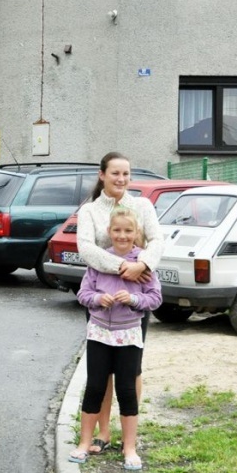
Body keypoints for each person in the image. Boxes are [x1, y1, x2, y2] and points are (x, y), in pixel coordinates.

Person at [76, 151, 164, 455]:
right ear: (102, 175)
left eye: (126, 174)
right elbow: (86, 248)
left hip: (134, 300)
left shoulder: (141, 205)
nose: (121, 179)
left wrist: (144, 265)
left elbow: (156, 241)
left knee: (131, 371)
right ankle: (103, 432)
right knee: (101, 374)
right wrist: (123, 268)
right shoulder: (90, 211)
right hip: (103, 298)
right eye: (115, 173)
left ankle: (130, 438)